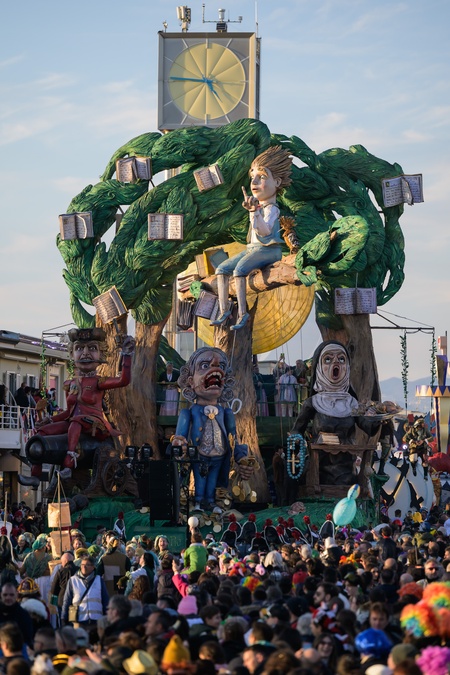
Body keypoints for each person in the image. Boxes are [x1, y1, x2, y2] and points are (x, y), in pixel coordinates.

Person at [32, 327, 135, 479]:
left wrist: (126, 354)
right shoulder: (69, 384)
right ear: (72, 354)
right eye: (79, 348)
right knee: (42, 432)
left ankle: (70, 460)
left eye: (92, 348)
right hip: (74, 422)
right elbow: (68, 413)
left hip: (94, 424)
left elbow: (123, 380)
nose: (85, 353)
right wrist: (50, 420)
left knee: (76, 421)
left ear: (101, 354)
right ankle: (36, 474)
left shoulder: (99, 381)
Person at [211, 146, 293, 331]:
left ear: (277, 182)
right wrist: (253, 210)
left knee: (239, 270)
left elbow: (264, 232)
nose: (254, 182)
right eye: (252, 177)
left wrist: (254, 212)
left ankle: (242, 313)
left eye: (261, 177)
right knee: (222, 269)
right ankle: (224, 310)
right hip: (252, 249)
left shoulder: (272, 209)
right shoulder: (258, 207)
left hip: (269, 250)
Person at [172, 347, 251, 514]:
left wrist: (242, 458)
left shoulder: (226, 413)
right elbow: (180, 437)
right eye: (205, 365)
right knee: (200, 480)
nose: (215, 367)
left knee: (213, 481)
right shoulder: (188, 413)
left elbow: (233, 439)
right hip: (199, 455)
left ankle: (211, 502)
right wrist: (179, 444)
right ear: (191, 381)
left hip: (219, 456)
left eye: (221, 366)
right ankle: (198, 503)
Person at [62, 555, 108, 627]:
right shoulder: (73, 580)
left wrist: (107, 617)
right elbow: (67, 600)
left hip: (96, 620)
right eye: (82, 564)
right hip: (79, 621)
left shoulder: (99, 580)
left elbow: (105, 600)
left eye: (87, 565)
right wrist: (64, 618)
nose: (84, 567)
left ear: (93, 567)